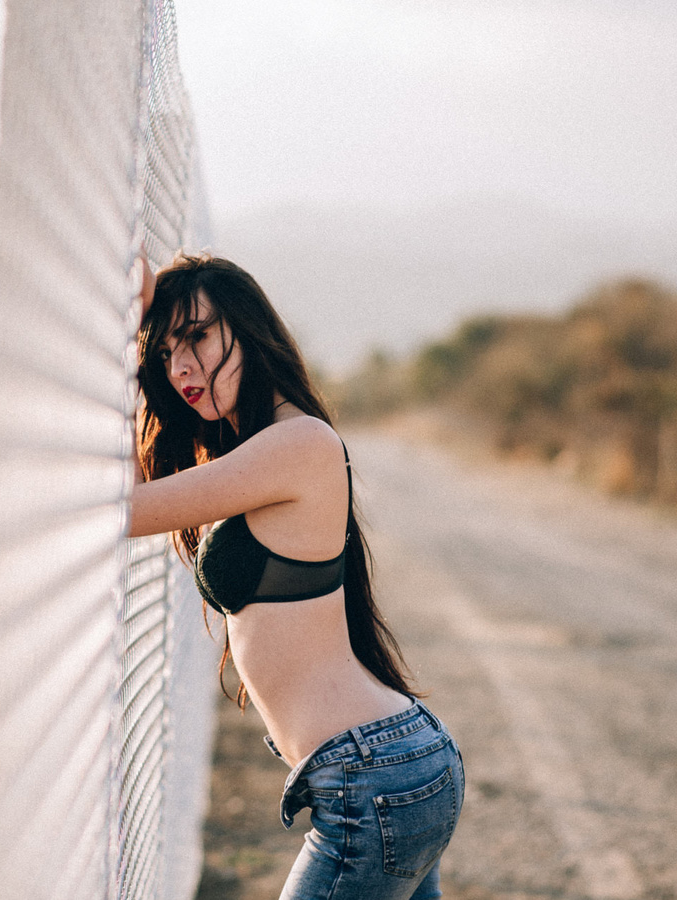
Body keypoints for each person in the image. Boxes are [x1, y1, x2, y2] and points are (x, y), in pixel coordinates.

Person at [127, 252, 464, 899]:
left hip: (373, 779)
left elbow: (121, 509)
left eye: (196, 336)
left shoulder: (298, 444)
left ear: (248, 331)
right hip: (388, 770)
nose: (180, 367)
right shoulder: (254, 448)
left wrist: (129, 324)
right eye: (164, 350)